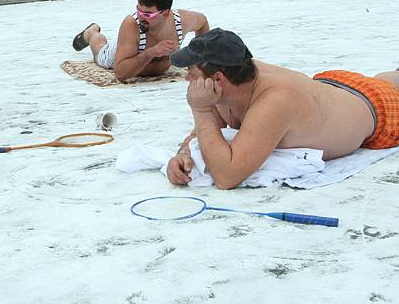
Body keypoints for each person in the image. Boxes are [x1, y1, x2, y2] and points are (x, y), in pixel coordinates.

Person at [166, 29, 399, 188]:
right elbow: (204, 131)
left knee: (386, 84)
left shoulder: (274, 101)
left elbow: (227, 176)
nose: (187, 79)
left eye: (191, 73)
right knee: (383, 79)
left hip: (379, 109)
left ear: (218, 78)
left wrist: (201, 111)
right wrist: (184, 153)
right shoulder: (236, 74)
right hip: (335, 86)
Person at [71, 0, 209, 82]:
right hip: (122, 51)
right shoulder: (132, 24)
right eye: (138, 10)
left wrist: (200, 60)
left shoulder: (182, 21)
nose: (141, 17)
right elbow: (120, 73)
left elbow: (202, 22)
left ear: (165, 13)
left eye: (148, 14)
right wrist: (150, 52)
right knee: (100, 52)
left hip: (141, 53)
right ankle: (91, 33)